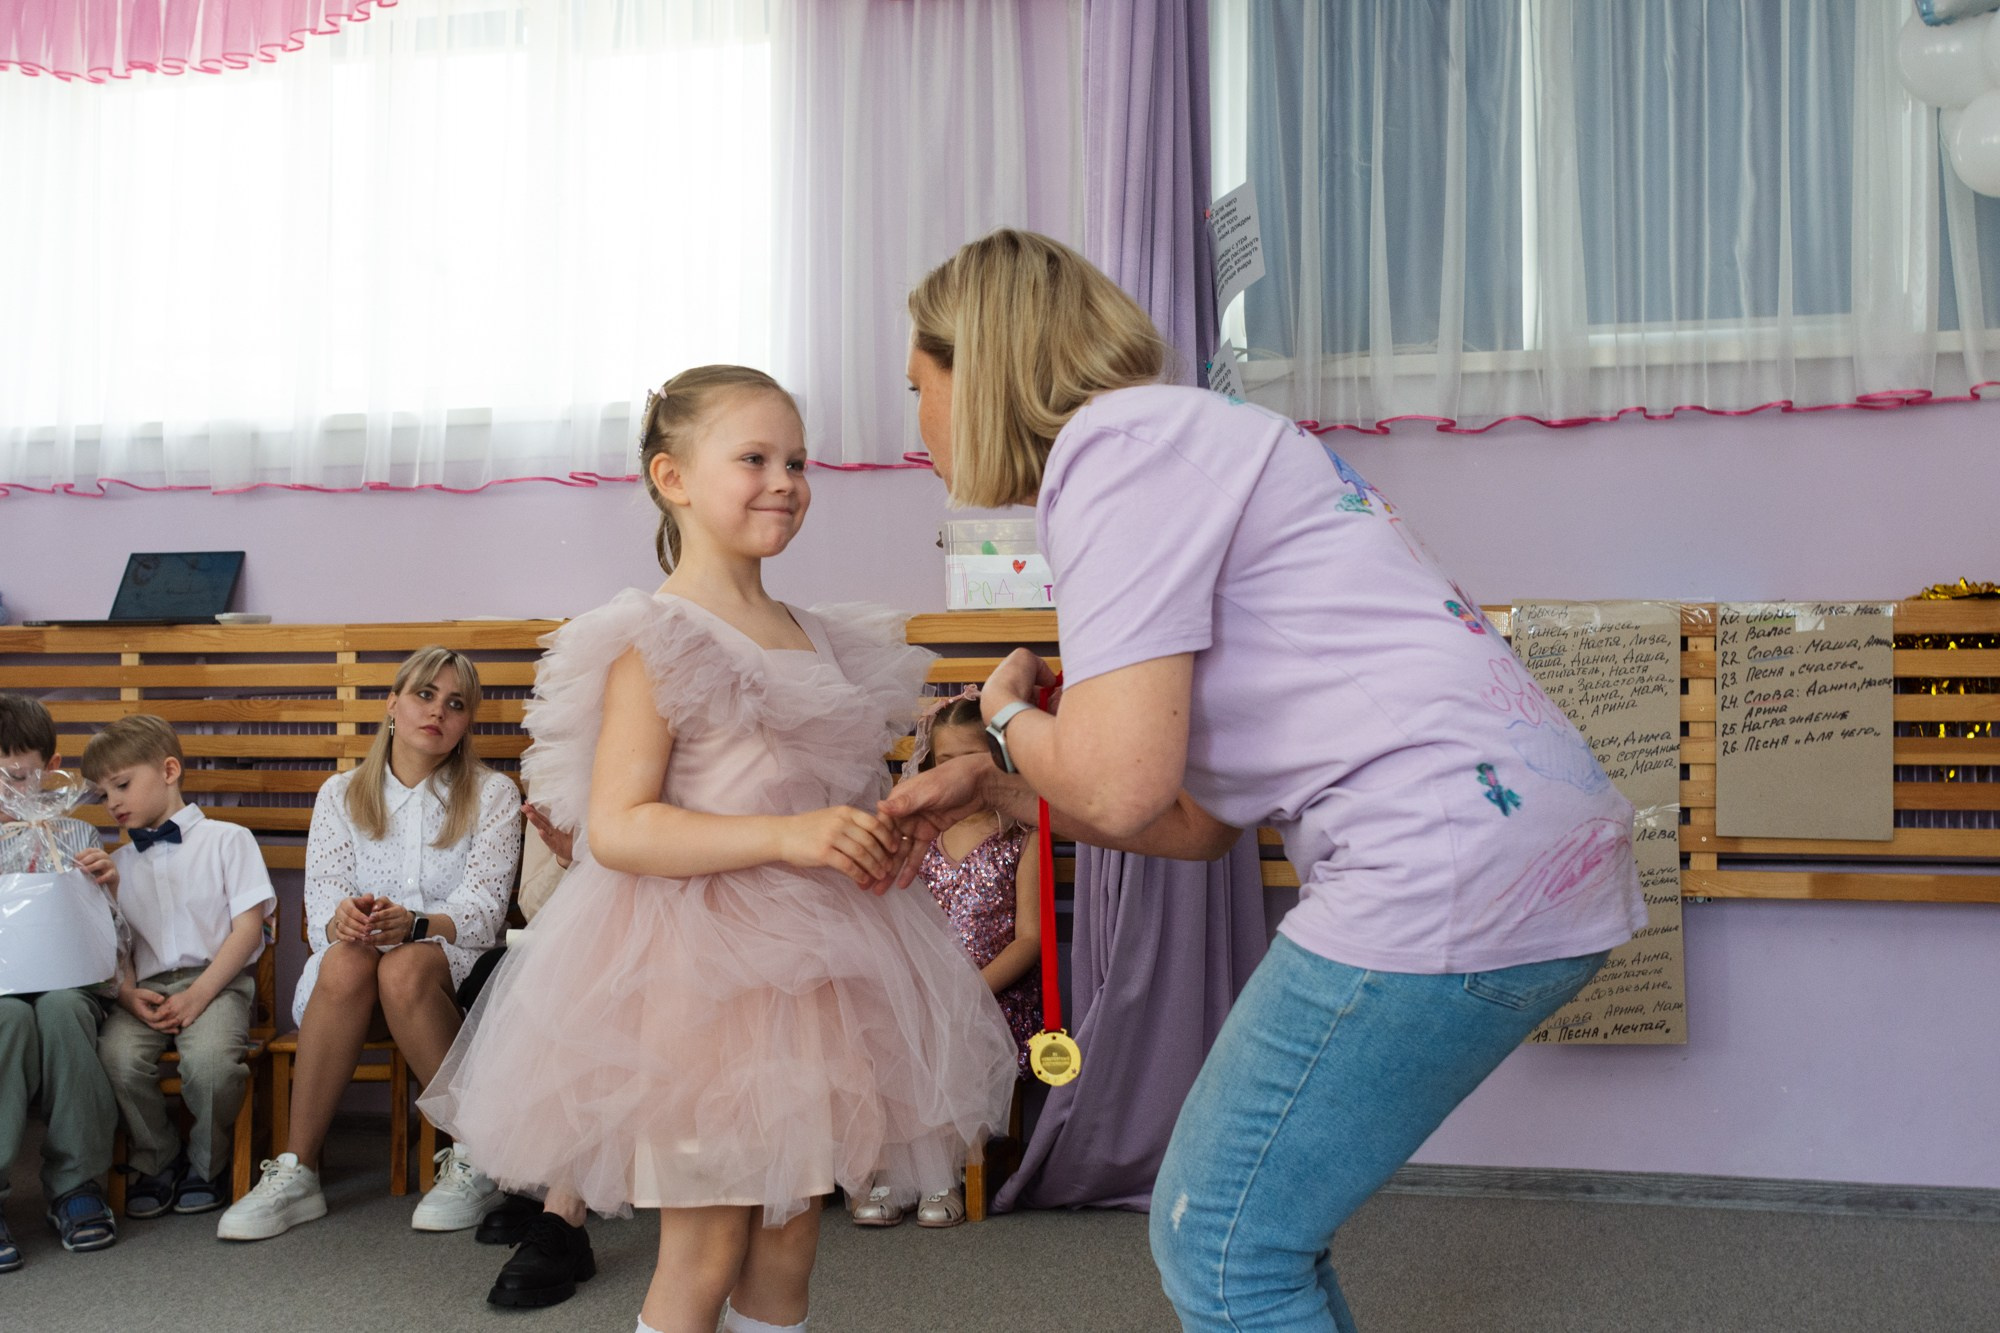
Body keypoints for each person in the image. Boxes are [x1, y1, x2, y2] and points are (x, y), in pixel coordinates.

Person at [881, 230, 1646, 1333]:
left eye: (918, 386)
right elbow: (1194, 825)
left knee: (1221, 1243)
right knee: (1254, 1240)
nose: (916, 424)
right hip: (1521, 844)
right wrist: (1002, 795)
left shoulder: (1112, 454)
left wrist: (999, 716)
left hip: (1433, 857)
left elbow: (1118, 783)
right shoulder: (1189, 441)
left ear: (983, 368)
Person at [420, 364, 1015, 1333]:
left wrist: (875, 825)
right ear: (674, 476)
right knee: (706, 1243)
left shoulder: (818, 636)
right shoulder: (654, 639)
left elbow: (825, 791)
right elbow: (618, 825)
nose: (784, 479)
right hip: (697, 977)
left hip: (817, 969)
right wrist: (789, 833)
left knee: (789, 1236)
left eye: (797, 460)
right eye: (753, 458)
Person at [215, 647, 520, 1242]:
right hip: (346, 984)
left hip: (443, 972)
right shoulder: (341, 794)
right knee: (352, 958)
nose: (437, 712)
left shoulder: (493, 795)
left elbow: (484, 916)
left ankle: (478, 1156)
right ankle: (297, 1172)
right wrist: (346, 921)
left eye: (455, 704)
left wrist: (416, 924)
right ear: (393, 705)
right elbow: (320, 911)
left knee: (403, 968)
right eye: (424, 695)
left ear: (466, 724)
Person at [853, 692, 1040, 1231]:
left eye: (970, 761)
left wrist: (969, 989)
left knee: (951, 1028)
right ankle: (893, 1171)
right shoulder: (915, 837)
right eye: (943, 762)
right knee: (890, 1023)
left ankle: (941, 1176)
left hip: (992, 990)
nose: (955, 774)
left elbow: (1028, 939)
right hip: (919, 984)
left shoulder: (1018, 840)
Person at [83, 715, 275, 1222]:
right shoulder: (117, 865)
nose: (113, 803)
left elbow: (248, 930)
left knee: (211, 1066)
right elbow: (116, 947)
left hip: (217, 982)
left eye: (122, 785)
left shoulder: (229, 840)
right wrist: (125, 996)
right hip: (142, 990)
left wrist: (200, 994)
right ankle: (157, 1156)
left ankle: (207, 1162)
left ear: (169, 770)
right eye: (104, 795)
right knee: (116, 1058)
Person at [0, 697, 121, 1268]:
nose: (11, 788)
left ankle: (76, 1185)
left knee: (63, 1011)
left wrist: (106, 885)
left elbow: (112, 934)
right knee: (10, 1019)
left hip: (70, 984)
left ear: (52, 768)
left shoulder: (74, 833)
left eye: (22, 775)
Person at [473, 801, 601, 1310]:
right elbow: (534, 899)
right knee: (570, 970)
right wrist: (584, 858)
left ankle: (554, 1200)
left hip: (732, 885)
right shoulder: (610, 737)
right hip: (634, 883)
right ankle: (560, 1205)